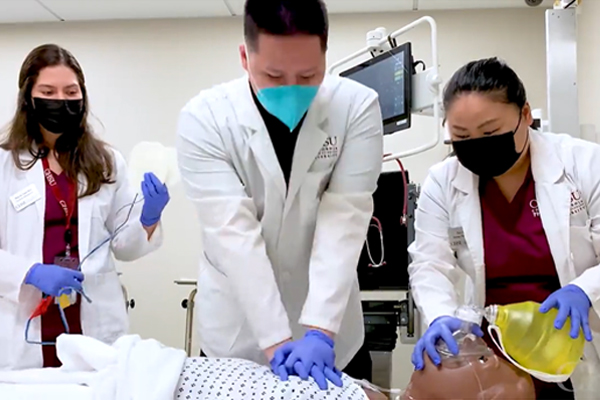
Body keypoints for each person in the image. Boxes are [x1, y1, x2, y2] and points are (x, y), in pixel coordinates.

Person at [176, 0, 383, 389]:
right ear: (244, 57)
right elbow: (233, 236)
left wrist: (321, 330)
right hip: (237, 335)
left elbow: (345, 217)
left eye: (308, 75)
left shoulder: (355, 108)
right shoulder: (204, 120)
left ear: (325, 55)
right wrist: (275, 340)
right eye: (273, 75)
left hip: (334, 334)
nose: (292, 89)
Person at [408, 57, 600, 399]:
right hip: (493, 354)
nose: (477, 144)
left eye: (491, 132)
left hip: (569, 343)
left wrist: (585, 290)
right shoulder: (443, 182)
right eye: (461, 136)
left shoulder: (584, 164)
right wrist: (439, 315)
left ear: (525, 115)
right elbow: (429, 263)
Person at [0, 44, 170, 369]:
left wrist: (149, 218)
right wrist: (29, 272)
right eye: (48, 91)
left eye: (71, 91)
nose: (61, 101)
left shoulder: (106, 162)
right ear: (28, 99)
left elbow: (124, 245)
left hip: (92, 316)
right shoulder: (4, 164)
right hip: (23, 318)